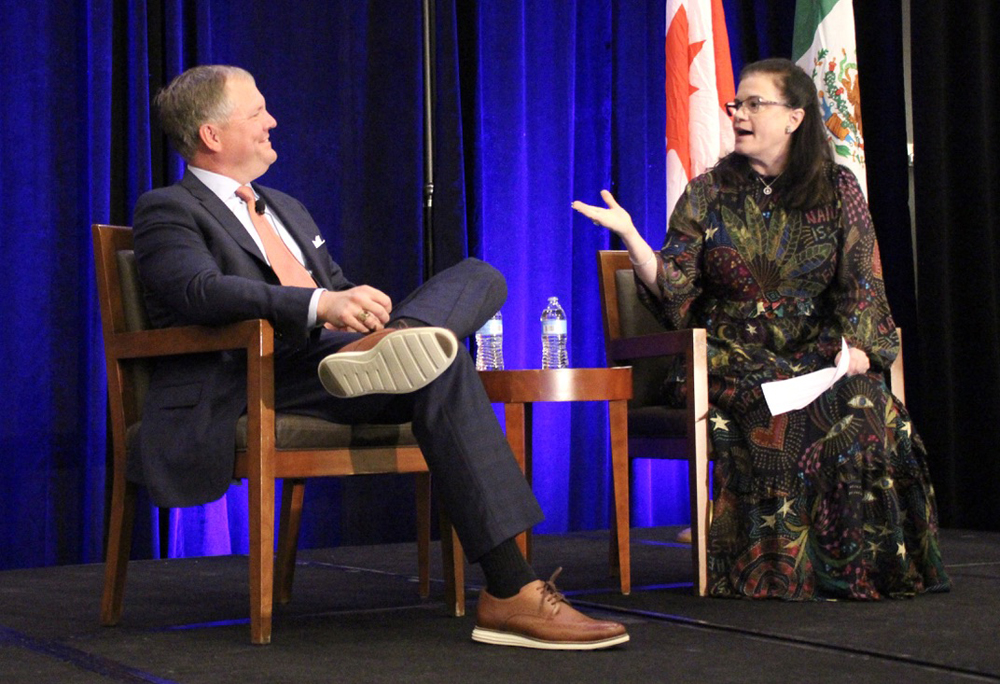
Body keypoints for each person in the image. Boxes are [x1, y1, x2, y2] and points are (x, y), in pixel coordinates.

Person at [133, 64, 628, 649]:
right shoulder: (168, 208)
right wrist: (321, 304)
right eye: (257, 112)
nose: (273, 121)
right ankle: (511, 589)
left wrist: (363, 313)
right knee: (440, 363)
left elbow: (335, 283)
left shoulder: (286, 206)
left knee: (477, 278)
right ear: (212, 135)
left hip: (335, 364)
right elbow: (200, 291)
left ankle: (400, 341)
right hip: (255, 375)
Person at [573, 58, 950, 600]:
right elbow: (676, 285)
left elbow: (862, 280)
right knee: (778, 415)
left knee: (870, 408)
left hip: (814, 357)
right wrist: (633, 237)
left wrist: (864, 349)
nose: (739, 114)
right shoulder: (709, 192)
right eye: (736, 104)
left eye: (755, 104)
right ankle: (775, 571)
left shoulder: (837, 189)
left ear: (795, 118)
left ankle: (855, 569)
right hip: (728, 357)